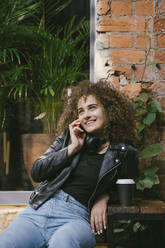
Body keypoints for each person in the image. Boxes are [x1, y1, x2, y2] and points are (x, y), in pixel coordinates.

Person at [0, 80, 139, 248]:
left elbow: (129, 187)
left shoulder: (124, 151)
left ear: (109, 110)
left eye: (92, 108)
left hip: (77, 217)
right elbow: (37, 171)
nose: (86, 115)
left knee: (62, 243)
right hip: (41, 210)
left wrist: (105, 196)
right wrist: (72, 148)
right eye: (81, 111)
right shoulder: (69, 138)